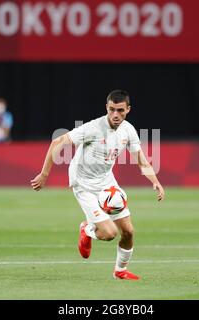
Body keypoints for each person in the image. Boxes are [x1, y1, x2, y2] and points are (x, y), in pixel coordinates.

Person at [30, 89, 165, 280]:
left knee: (128, 232)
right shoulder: (93, 128)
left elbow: (141, 160)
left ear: (128, 109)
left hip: (106, 182)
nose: (115, 115)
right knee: (109, 233)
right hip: (83, 183)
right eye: (111, 110)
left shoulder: (128, 130)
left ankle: (120, 271)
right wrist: (44, 174)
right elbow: (57, 142)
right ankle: (87, 228)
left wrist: (155, 182)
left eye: (120, 110)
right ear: (106, 108)